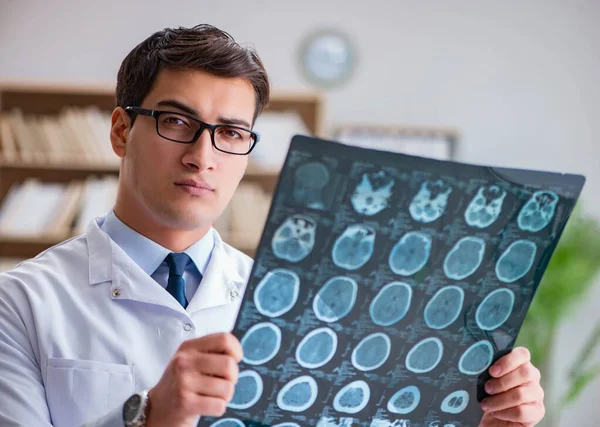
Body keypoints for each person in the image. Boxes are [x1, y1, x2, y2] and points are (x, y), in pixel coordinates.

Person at [0, 24, 545, 427]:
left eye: (231, 133)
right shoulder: (20, 303)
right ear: (121, 131)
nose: (202, 156)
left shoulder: (305, 307)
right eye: (176, 121)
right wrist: (152, 419)